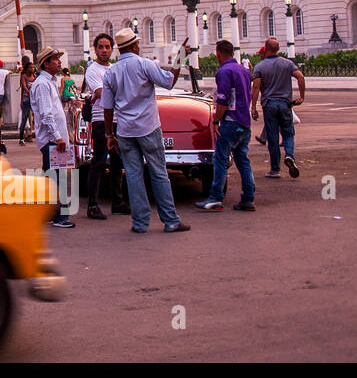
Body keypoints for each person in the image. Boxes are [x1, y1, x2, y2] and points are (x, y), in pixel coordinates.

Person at [101, 28, 192, 234]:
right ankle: (170, 220)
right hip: (148, 127)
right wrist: (180, 57)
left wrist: (109, 135)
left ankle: (140, 223)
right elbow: (169, 81)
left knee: (133, 176)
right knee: (158, 173)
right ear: (133, 46)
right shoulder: (144, 64)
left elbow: (107, 107)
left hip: (125, 130)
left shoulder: (111, 72)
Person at [196, 40, 256, 212]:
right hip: (244, 123)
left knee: (220, 159)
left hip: (230, 121)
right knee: (243, 160)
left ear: (219, 54)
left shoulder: (224, 71)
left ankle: (215, 197)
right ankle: (248, 198)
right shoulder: (244, 71)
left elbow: (223, 99)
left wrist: (215, 120)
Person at [81, 32, 126, 218]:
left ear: (112, 48)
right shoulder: (93, 70)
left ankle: (118, 201)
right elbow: (100, 93)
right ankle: (92, 205)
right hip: (101, 120)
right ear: (95, 49)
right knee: (99, 162)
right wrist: (122, 96)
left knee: (117, 163)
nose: (104, 50)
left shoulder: (115, 68)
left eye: (107, 47)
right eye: (101, 47)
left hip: (119, 119)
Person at [30, 46, 75, 228]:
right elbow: (46, 115)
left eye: (58, 58)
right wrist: (58, 137)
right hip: (51, 140)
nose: (59, 62)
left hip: (53, 139)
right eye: (55, 59)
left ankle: (51, 212)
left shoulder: (49, 82)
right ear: (45, 64)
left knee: (53, 177)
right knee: (58, 178)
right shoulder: (42, 84)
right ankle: (60, 217)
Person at [251, 37, 306, 178]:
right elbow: (300, 77)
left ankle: (275, 169)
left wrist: (253, 107)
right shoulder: (287, 64)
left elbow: (256, 87)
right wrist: (301, 96)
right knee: (288, 134)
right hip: (285, 103)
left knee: (273, 137)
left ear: (266, 48)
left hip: (269, 104)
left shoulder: (260, 66)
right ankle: (289, 156)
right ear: (278, 49)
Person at [17, 59, 36, 145]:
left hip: (34, 99)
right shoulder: (24, 76)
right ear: (27, 68)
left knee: (36, 118)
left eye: (33, 67)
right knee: (24, 118)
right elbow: (24, 87)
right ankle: (21, 138)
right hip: (26, 99)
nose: (32, 69)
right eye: (30, 67)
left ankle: (31, 135)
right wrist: (30, 93)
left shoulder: (34, 76)